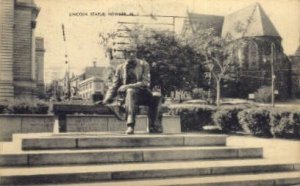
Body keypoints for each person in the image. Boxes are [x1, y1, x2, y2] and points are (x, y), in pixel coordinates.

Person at [102, 47, 162, 135]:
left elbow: (145, 83)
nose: (132, 54)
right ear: (125, 54)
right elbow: (114, 86)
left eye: (133, 51)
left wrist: (127, 86)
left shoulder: (143, 64)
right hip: (128, 97)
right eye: (129, 52)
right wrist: (106, 99)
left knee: (157, 96)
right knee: (130, 92)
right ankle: (130, 125)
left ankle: (154, 126)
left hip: (143, 94)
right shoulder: (120, 68)